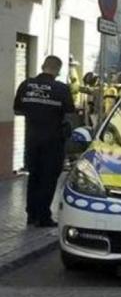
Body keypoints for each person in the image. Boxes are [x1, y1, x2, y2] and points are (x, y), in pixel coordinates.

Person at [13, 55, 74, 228]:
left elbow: (18, 110)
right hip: (53, 141)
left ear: (42, 66)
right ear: (58, 70)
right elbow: (70, 112)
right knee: (48, 178)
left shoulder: (26, 85)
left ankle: (31, 215)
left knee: (34, 176)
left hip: (32, 139)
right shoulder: (61, 88)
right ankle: (43, 217)